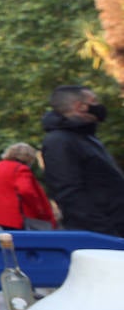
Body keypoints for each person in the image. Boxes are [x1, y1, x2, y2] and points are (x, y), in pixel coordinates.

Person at [40, 86, 124, 238]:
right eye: (94, 101)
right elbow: (69, 194)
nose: (98, 106)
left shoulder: (85, 137)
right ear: (80, 107)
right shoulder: (59, 141)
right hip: (103, 235)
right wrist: (107, 234)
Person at [0, 142, 56, 231]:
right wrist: (39, 210)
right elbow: (26, 191)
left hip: (3, 215)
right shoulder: (21, 169)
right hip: (21, 216)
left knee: (11, 242)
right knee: (27, 243)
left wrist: (3, 199)